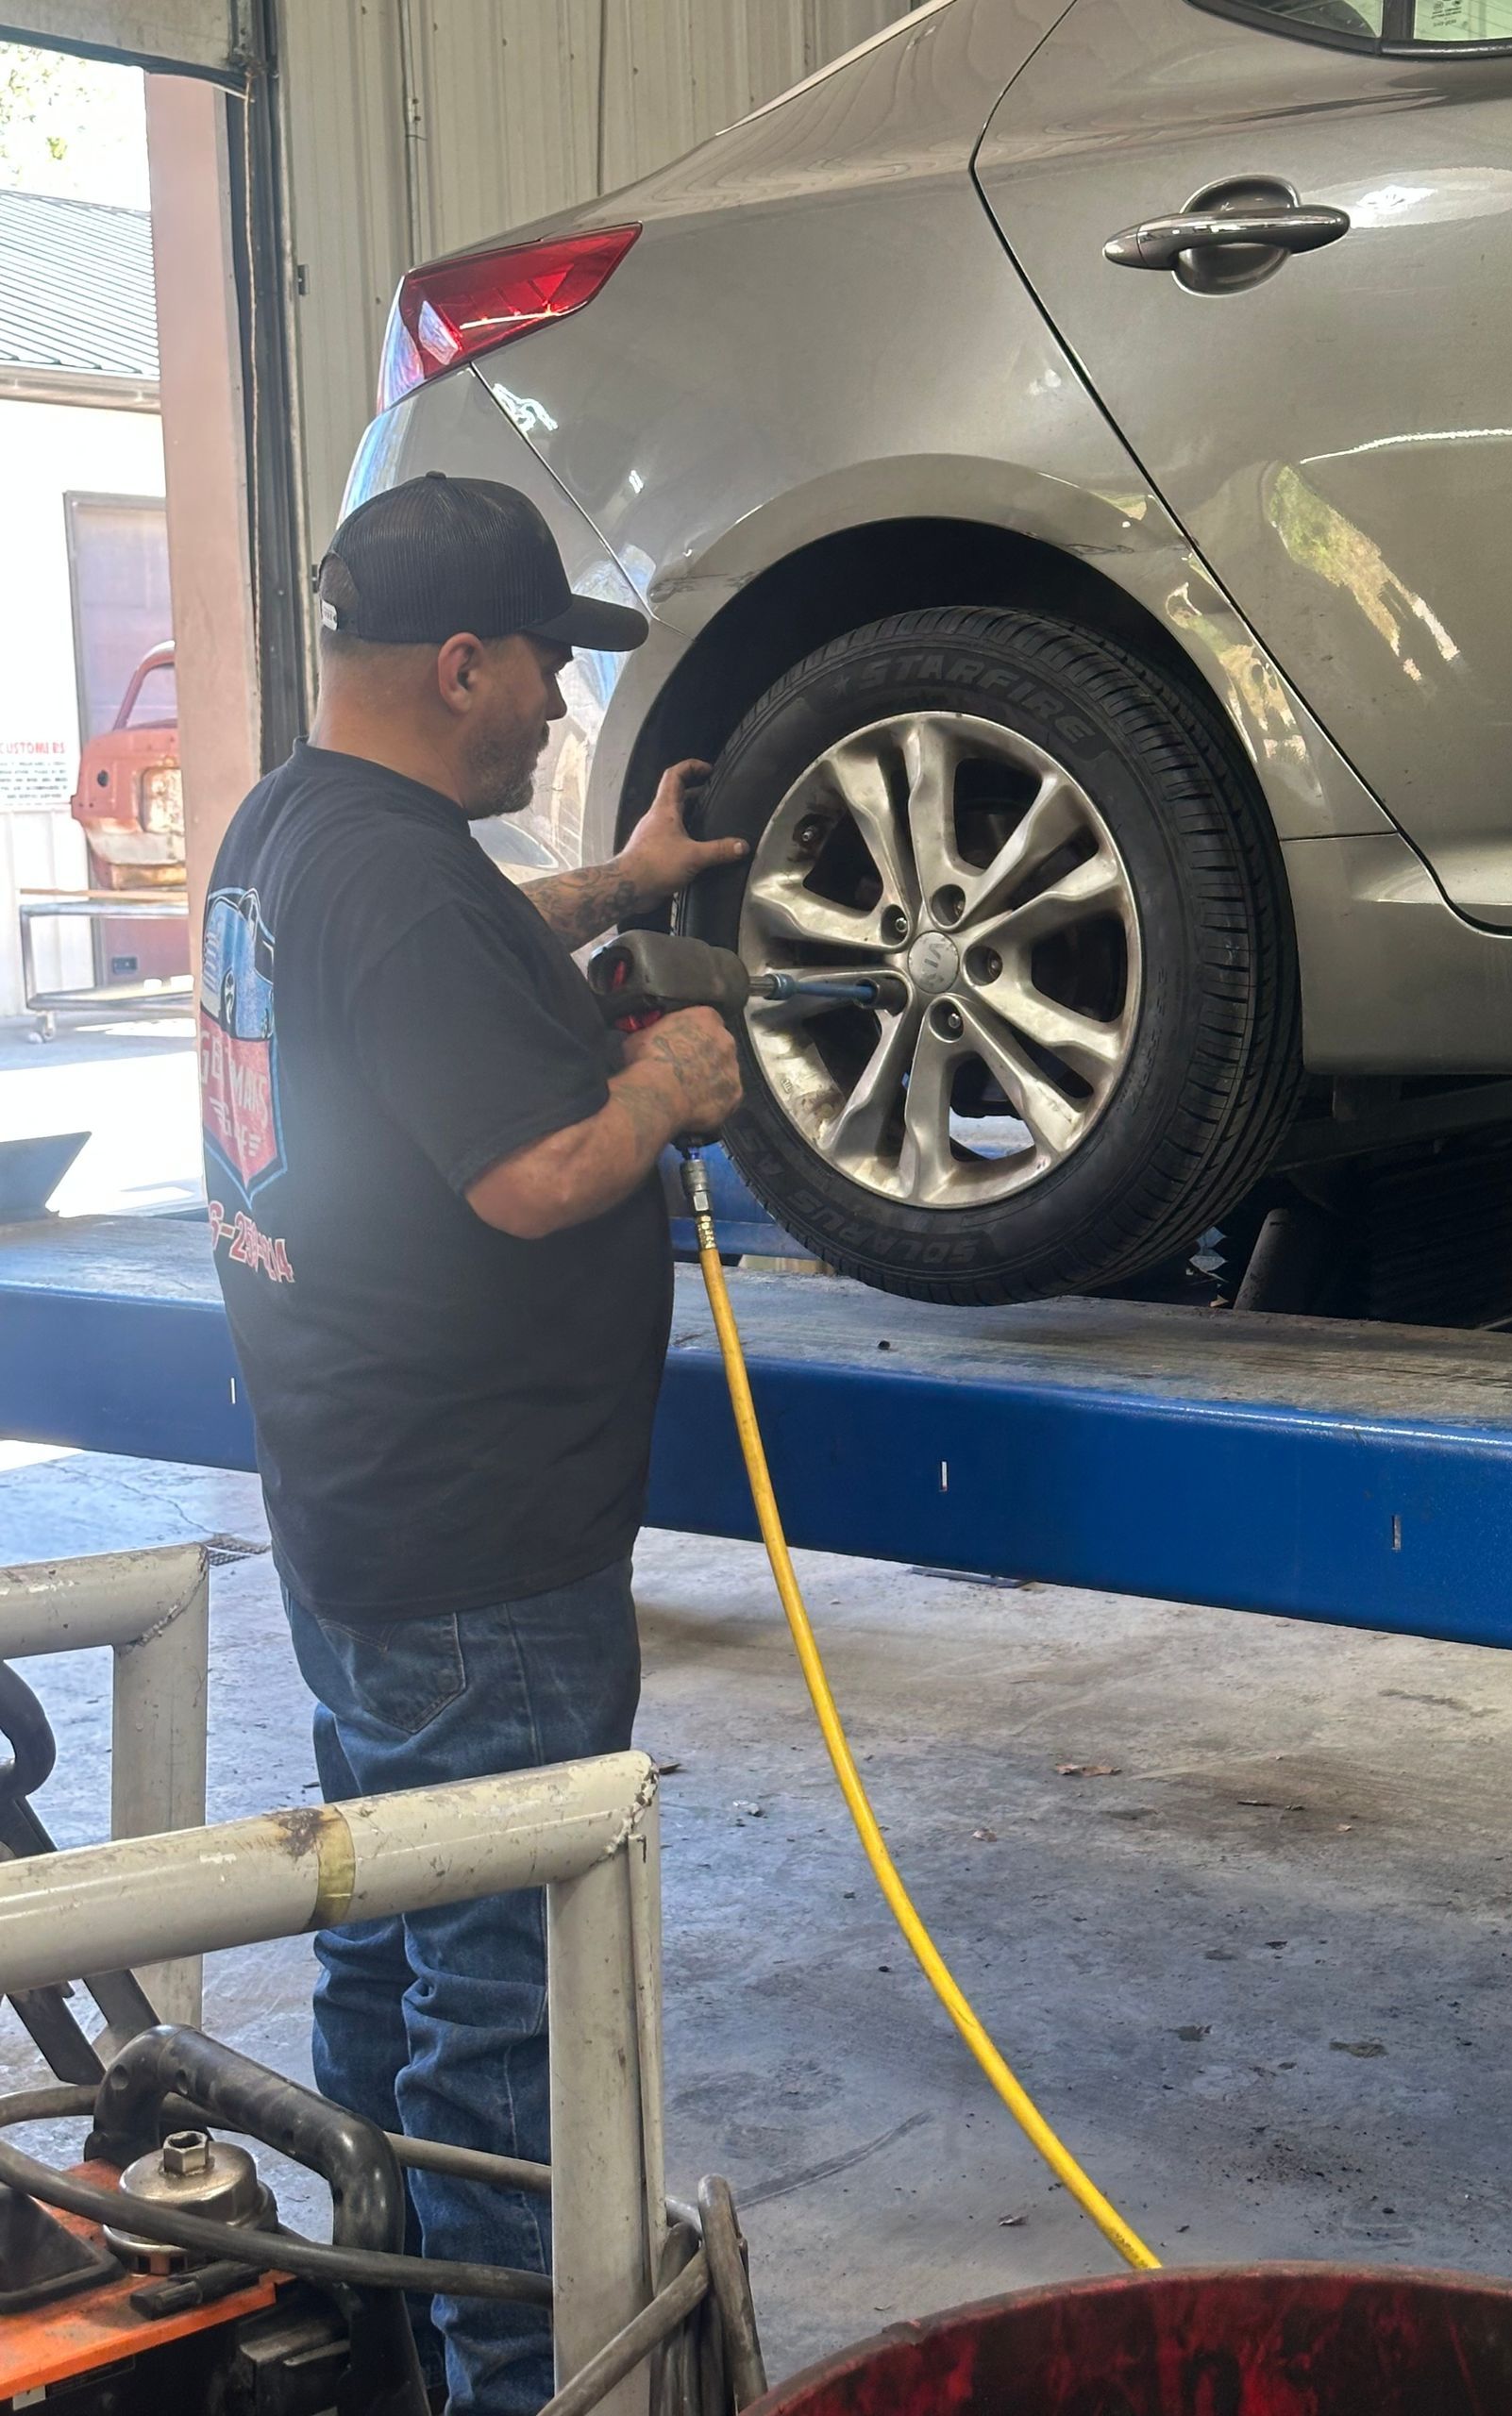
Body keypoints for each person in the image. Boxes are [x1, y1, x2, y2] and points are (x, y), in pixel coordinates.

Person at [199, 472, 745, 2414]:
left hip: (361, 1523)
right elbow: (527, 1170)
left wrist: (625, 883)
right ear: (460, 661)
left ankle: (388, 2347)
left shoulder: (292, 830)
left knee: (391, 1957)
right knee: (504, 2015)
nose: (548, 711)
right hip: (479, 1559)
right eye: (539, 674)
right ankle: (521, 2385)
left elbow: (436, 952)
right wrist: (667, 1084)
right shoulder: (399, 877)